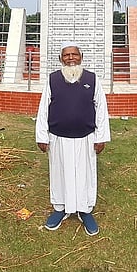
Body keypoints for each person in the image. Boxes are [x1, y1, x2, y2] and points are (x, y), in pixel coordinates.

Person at [35, 42, 111, 236]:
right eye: (66, 55)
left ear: (81, 57)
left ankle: (85, 211)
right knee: (59, 173)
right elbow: (43, 109)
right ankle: (60, 209)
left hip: (86, 137)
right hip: (58, 137)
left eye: (74, 54)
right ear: (61, 59)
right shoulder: (53, 79)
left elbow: (101, 109)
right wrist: (42, 136)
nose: (71, 58)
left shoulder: (91, 79)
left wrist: (101, 137)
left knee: (85, 174)